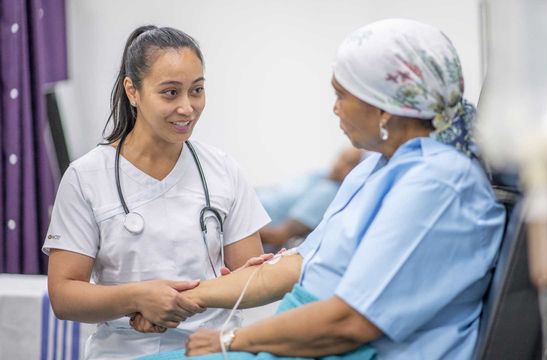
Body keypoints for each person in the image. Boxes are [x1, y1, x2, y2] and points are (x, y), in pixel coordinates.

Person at [135, 19, 506, 359]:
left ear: (385, 109)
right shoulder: (377, 166)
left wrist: (232, 341)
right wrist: (184, 299)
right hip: (309, 337)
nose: (335, 109)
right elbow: (298, 265)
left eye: (342, 95)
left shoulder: (438, 184)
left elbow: (350, 322)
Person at [42, 26, 273, 359]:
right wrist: (136, 299)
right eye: (170, 92)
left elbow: (250, 280)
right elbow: (64, 295)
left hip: (211, 349)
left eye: (197, 90)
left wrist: (188, 299)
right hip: (125, 350)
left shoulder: (222, 170)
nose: (187, 107)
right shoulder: (85, 177)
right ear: (132, 91)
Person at [258, 147, 362, 251]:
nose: (341, 166)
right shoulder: (318, 175)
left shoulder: (329, 193)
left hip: (253, 226)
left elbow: (278, 236)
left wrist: (246, 224)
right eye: (342, 159)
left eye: (351, 164)